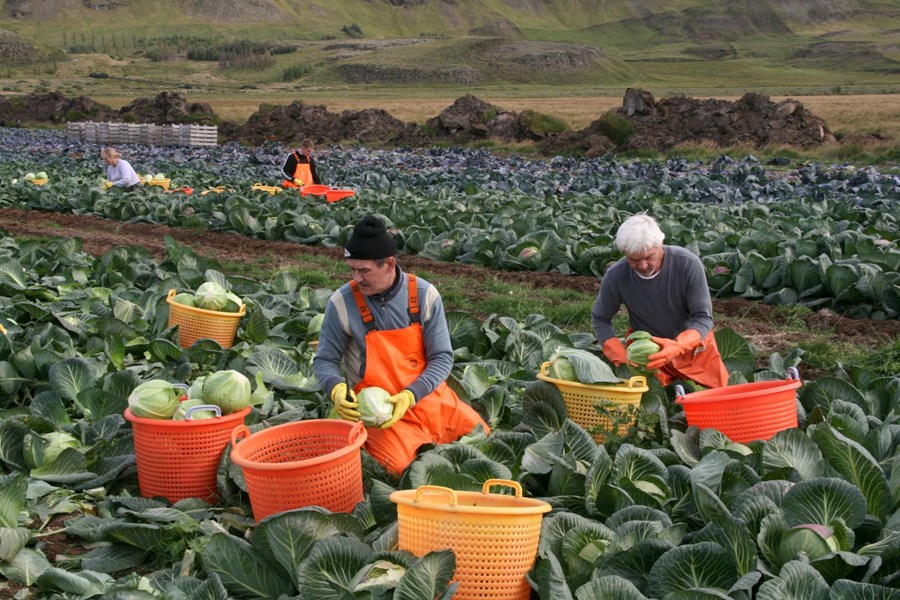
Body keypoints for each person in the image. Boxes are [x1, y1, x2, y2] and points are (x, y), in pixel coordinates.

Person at [313, 215, 489, 475]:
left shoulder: (425, 295)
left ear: (389, 264)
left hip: (426, 397)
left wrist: (410, 395)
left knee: (481, 436)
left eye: (364, 271)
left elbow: (442, 357)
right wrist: (335, 388)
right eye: (352, 270)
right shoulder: (341, 303)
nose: (356, 278)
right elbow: (325, 360)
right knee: (399, 468)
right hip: (380, 412)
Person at [591, 213, 729, 389]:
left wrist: (678, 346)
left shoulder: (687, 264)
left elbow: (703, 318)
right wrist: (621, 356)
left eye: (649, 257)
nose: (642, 266)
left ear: (660, 244)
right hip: (648, 354)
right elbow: (600, 318)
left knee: (720, 400)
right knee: (657, 402)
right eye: (633, 260)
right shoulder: (616, 276)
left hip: (694, 348)